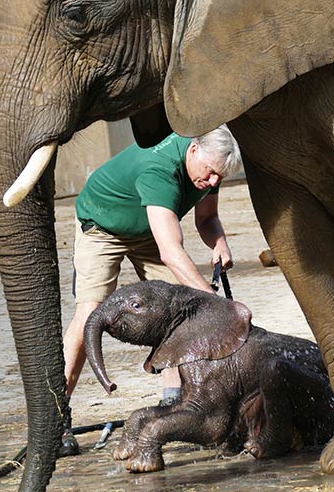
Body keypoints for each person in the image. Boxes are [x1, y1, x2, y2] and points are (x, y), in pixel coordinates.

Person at [59, 125, 243, 455]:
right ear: (193, 151)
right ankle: (57, 413)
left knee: (178, 314)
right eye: (212, 173)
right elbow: (170, 251)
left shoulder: (209, 165)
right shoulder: (161, 169)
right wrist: (211, 300)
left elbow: (207, 218)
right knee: (90, 313)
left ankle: (175, 405)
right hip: (103, 225)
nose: (214, 181)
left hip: (150, 229)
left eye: (220, 177)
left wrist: (220, 243)